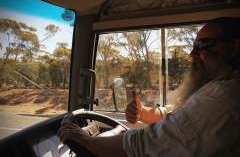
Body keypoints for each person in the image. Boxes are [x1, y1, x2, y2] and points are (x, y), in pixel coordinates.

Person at [58, 17, 240, 157]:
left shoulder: (223, 96)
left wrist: (88, 142)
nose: (192, 53)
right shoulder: (214, 88)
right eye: (194, 45)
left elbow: (144, 145)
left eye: (202, 45)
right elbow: (175, 116)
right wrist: (143, 112)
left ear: (233, 47)